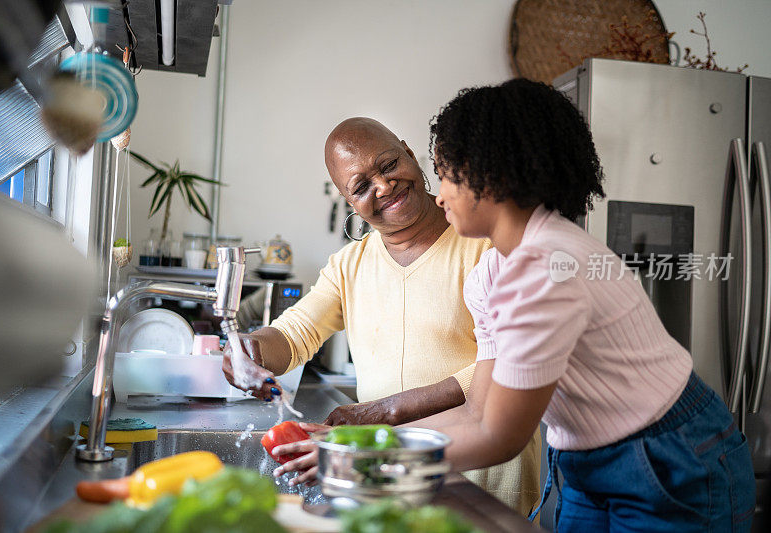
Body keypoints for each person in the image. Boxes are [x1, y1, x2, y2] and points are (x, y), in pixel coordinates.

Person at [270, 80, 756, 532]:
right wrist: (350, 443)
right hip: (587, 456)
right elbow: (478, 407)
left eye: (446, 176)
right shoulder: (494, 271)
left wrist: (361, 456)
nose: (440, 197)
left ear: (491, 177)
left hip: (672, 456)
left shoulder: (546, 268)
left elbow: (496, 434)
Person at [222, 117, 541, 515]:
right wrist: (249, 349)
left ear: (409, 152)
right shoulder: (349, 264)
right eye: (361, 187)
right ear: (348, 201)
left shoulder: (485, 245)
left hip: (483, 478)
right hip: (384, 477)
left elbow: (509, 366)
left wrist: (383, 412)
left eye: (389, 165)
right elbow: (293, 333)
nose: (384, 186)